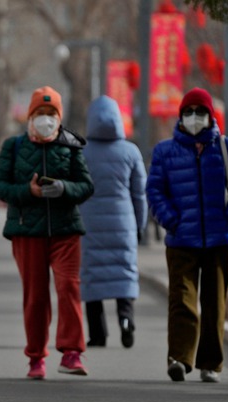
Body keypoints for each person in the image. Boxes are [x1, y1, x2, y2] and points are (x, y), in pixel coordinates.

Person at [146, 87, 228, 383]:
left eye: (200, 112)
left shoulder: (226, 148)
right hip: (181, 240)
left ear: (210, 116)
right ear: (181, 116)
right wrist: (170, 219)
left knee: (215, 303)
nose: (194, 117)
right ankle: (179, 358)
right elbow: (154, 190)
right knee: (181, 300)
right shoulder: (165, 151)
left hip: (220, 240)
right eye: (189, 112)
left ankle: (211, 364)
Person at [0, 86, 94, 380]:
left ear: (59, 118)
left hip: (66, 230)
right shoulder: (14, 146)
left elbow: (86, 186)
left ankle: (72, 353)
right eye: (40, 113)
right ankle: (36, 357)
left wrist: (64, 188)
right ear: (30, 117)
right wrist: (29, 191)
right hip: (27, 231)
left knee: (68, 288)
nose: (46, 119)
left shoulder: (72, 146)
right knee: (35, 296)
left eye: (52, 114)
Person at [79, 96, 148, 348]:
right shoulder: (131, 151)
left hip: (89, 224)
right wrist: (139, 226)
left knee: (91, 276)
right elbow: (140, 194)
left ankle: (98, 334)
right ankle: (126, 321)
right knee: (124, 274)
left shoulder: (82, 152)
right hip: (124, 223)